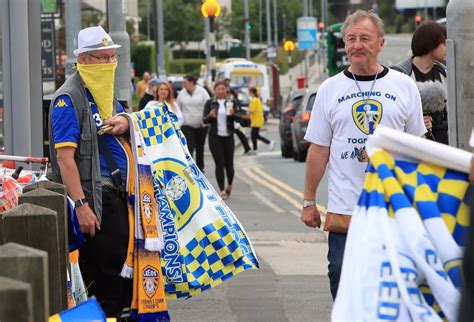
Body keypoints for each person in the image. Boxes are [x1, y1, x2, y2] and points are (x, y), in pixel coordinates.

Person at [300, 10, 426, 300]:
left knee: (391, 281)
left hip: (394, 205)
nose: (357, 45)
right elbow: (319, 149)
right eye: (351, 39)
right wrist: (308, 201)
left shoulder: (404, 85)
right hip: (346, 210)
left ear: (380, 43)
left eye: (365, 38)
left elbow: (418, 143)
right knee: (341, 274)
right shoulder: (330, 89)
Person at [48, 26, 132, 317]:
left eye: (113, 57)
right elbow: (65, 159)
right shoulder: (68, 99)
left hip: (117, 199)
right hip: (96, 202)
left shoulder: (104, 93)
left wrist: (125, 121)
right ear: (84, 59)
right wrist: (82, 205)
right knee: (98, 285)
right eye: (103, 57)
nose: (111, 64)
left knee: (121, 281)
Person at [391, 21, 448, 144]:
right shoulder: (400, 74)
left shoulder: (444, 73)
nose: (447, 47)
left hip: (444, 147)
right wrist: (416, 122)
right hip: (413, 147)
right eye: (444, 43)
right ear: (430, 44)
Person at [203, 81, 241, 199]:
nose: (220, 91)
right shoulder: (210, 103)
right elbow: (204, 120)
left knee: (229, 165)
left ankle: (229, 184)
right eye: (218, 89)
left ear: (226, 90)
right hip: (215, 137)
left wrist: (234, 114)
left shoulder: (232, 102)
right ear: (215, 91)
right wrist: (210, 116)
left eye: (222, 89)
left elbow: (241, 119)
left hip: (228, 136)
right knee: (219, 164)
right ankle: (222, 190)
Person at [176, 75, 210, 171]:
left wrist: (206, 120)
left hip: (201, 125)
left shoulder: (202, 92)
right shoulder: (181, 94)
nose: (183, 85)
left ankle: (200, 168)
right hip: (187, 125)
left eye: (185, 83)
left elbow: (208, 106)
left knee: (200, 148)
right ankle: (190, 168)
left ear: (191, 82)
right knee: (189, 147)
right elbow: (178, 108)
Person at [248, 87, 274, 154]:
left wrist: (247, 110)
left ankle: (269, 143)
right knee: (255, 135)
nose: (249, 93)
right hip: (258, 119)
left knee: (254, 135)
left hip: (255, 120)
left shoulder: (253, 100)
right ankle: (255, 149)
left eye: (249, 92)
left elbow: (252, 110)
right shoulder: (257, 99)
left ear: (252, 92)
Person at [228, 88, 251, 155]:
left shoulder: (234, 101)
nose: (228, 95)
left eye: (229, 94)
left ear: (232, 94)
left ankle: (247, 149)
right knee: (241, 135)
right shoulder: (233, 101)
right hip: (235, 121)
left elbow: (238, 111)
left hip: (236, 122)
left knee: (241, 135)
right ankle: (247, 148)